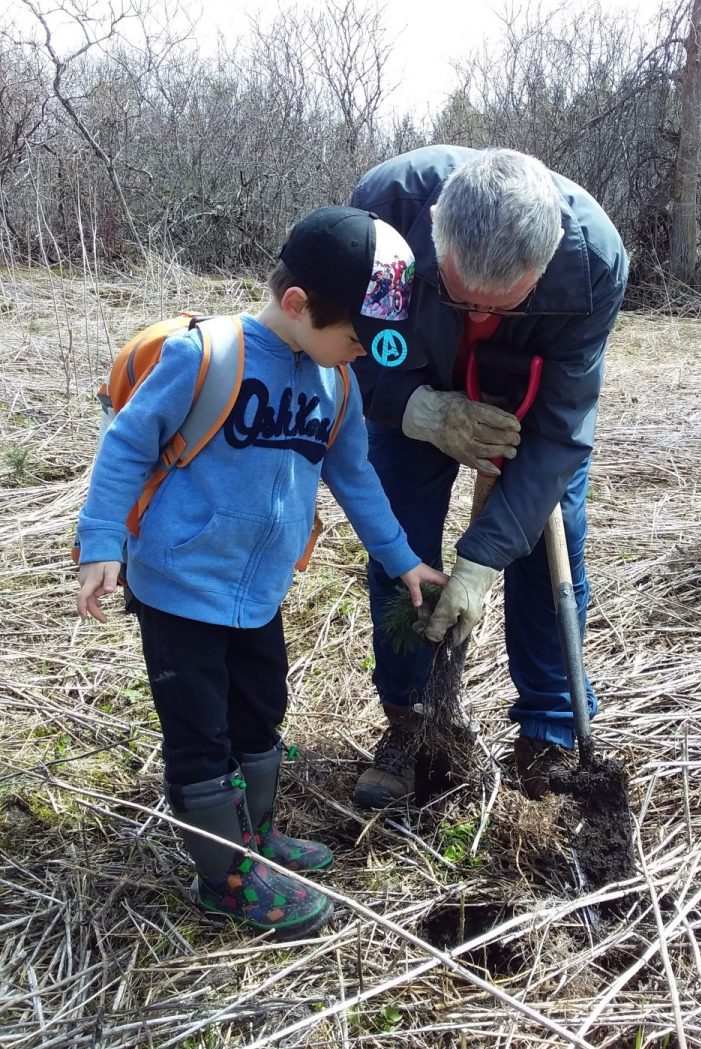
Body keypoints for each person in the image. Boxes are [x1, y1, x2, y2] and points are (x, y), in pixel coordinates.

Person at [75, 206, 448, 939]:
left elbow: (355, 476)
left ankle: (256, 836)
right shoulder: (205, 356)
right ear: (298, 303)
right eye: (356, 338)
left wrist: (400, 556)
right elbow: (127, 445)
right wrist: (101, 542)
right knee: (200, 733)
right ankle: (224, 878)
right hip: (179, 587)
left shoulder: (337, 385)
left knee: (261, 710)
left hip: (259, 594)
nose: (363, 353)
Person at [349, 146, 628, 809]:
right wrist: (413, 407)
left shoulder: (591, 262)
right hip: (414, 384)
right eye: (459, 296)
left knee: (548, 542)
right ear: (435, 229)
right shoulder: (385, 219)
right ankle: (413, 720)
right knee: (400, 539)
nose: (478, 315)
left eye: (503, 304)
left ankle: (549, 733)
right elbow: (349, 342)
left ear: (546, 260)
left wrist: (479, 564)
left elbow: (561, 432)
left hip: (528, 407)